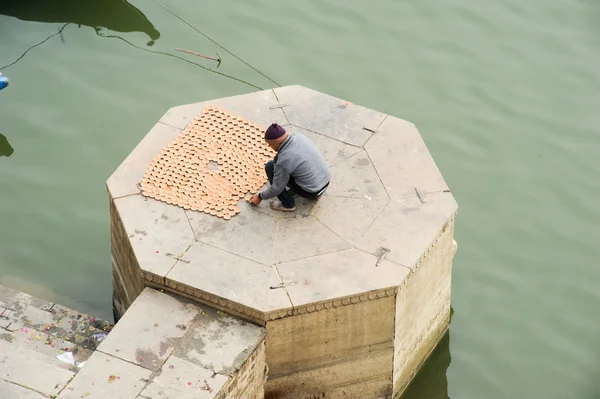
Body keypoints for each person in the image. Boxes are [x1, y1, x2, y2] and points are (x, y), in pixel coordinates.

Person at [249, 123, 330, 211]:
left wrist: (260, 196)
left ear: (277, 143)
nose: (269, 146)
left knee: (270, 167)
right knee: (290, 167)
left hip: (312, 191)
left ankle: (288, 204)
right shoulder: (298, 136)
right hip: (325, 181)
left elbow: (277, 188)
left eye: (270, 144)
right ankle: (312, 193)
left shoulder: (284, 159)